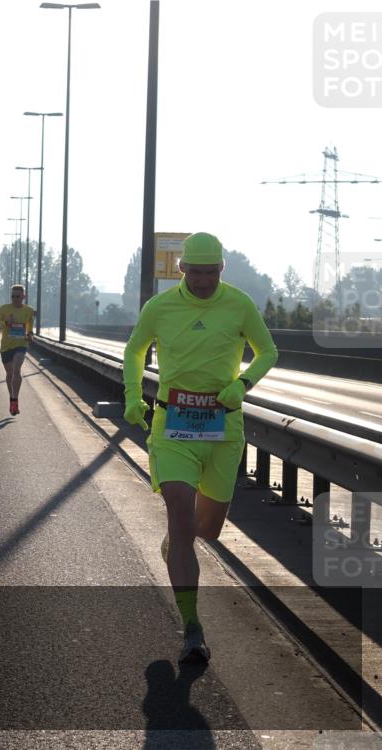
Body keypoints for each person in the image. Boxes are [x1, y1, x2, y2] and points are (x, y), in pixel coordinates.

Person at [122, 232, 278, 663]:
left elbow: (268, 351)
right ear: (182, 269)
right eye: (197, 272)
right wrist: (133, 395)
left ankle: (176, 542)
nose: (205, 281)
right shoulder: (160, 307)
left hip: (223, 429)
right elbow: (135, 350)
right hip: (172, 426)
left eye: (212, 272)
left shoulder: (239, 304)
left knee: (205, 529)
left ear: (221, 269)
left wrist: (242, 384)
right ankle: (192, 628)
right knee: (179, 512)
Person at [0, 285, 35, 415]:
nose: (15, 299)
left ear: (23, 297)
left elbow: (30, 327)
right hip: (6, 346)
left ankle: (15, 399)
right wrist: (6, 322)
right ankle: (12, 399)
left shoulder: (29, 311)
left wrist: (30, 335)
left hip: (21, 345)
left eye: (18, 296)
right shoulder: (4, 309)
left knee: (16, 370)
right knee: (10, 374)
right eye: (13, 296)